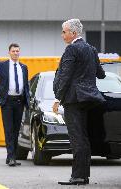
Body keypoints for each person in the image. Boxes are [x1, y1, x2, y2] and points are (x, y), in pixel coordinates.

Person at [53, 19, 106, 185]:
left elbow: (65, 77)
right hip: (88, 100)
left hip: (73, 100)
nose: (62, 35)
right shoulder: (91, 49)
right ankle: (84, 176)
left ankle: (77, 176)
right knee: (84, 138)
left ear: (73, 33)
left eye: (64, 32)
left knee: (77, 138)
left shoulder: (72, 50)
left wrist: (57, 98)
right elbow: (101, 74)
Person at [0, 43, 30, 166]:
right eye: (13, 51)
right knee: (8, 129)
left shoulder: (23, 67)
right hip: (7, 101)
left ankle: (12, 156)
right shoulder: (2, 66)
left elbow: (25, 85)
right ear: (9, 52)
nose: (15, 53)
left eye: (17, 51)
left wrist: (27, 100)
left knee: (16, 129)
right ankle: (11, 157)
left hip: (19, 101)